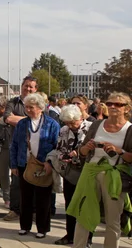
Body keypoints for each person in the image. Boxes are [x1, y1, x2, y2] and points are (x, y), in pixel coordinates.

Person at [69, 92, 132, 248]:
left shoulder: (129, 130)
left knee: (112, 220)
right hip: (90, 172)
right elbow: (81, 152)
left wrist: (119, 151)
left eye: (117, 104)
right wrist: (86, 148)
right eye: (109, 103)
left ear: (127, 108)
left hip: (114, 177)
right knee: (83, 214)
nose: (112, 107)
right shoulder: (97, 125)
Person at [10, 93, 59, 239]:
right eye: (26, 107)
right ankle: (25, 226)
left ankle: (42, 228)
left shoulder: (52, 124)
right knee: (26, 197)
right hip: (24, 164)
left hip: (44, 165)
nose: (28, 110)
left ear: (40, 108)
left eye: (31, 107)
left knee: (43, 198)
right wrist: (13, 165)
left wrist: (50, 162)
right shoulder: (22, 123)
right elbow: (15, 145)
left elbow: (56, 146)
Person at [50, 104, 94, 246]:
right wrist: (64, 156)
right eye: (67, 123)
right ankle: (70, 234)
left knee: (86, 205)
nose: (71, 125)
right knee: (70, 204)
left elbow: (94, 149)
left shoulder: (91, 127)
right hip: (70, 173)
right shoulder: (64, 130)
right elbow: (58, 148)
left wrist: (77, 154)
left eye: (73, 122)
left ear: (80, 118)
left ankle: (87, 238)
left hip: (87, 172)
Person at [2, 75, 39, 221]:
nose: (28, 88)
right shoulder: (13, 102)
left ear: (36, 89)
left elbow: (41, 120)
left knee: (36, 179)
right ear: (21, 86)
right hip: (17, 146)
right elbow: (7, 118)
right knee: (16, 180)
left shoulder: (40, 103)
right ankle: (15, 210)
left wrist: (17, 119)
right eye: (26, 85)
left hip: (35, 148)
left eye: (31, 86)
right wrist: (32, 120)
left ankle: (35, 210)